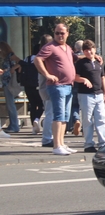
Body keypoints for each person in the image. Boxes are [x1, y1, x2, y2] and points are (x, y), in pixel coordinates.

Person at [34, 23, 78, 156]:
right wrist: (47, 74)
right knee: (58, 116)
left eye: (62, 33)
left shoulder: (67, 47)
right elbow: (38, 59)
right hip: (57, 86)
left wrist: (92, 57)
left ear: (67, 34)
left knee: (65, 116)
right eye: (57, 33)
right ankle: (56, 145)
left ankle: (62, 143)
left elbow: (74, 59)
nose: (59, 35)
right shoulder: (50, 47)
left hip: (68, 85)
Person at [74, 40, 105, 153]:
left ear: (95, 49)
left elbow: (103, 77)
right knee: (88, 120)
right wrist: (83, 79)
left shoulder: (99, 62)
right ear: (84, 51)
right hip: (85, 94)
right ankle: (89, 144)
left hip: (98, 94)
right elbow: (75, 77)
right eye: (86, 50)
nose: (89, 52)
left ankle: (103, 142)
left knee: (101, 119)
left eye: (91, 49)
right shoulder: (81, 63)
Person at [18, 43, 45, 135]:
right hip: (37, 84)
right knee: (42, 104)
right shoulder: (40, 59)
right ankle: (37, 119)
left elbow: (21, 69)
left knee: (33, 105)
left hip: (27, 85)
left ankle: (34, 127)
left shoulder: (28, 58)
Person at [0, 41, 22, 136]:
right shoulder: (5, 57)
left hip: (9, 82)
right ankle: (13, 125)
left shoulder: (10, 55)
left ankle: (14, 125)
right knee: (10, 104)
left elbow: (20, 62)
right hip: (5, 81)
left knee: (10, 104)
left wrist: (13, 69)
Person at [37, 34, 54, 147]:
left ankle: (49, 136)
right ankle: (47, 138)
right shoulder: (46, 56)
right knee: (50, 113)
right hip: (47, 88)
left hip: (43, 88)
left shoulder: (42, 55)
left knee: (50, 113)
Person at [67, 40, 83, 136]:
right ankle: (85, 128)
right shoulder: (87, 58)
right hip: (84, 85)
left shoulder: (72, 59)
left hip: (73, 84)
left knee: (74, 106)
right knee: (86, 109)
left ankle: (76, 120)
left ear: (75, 48)